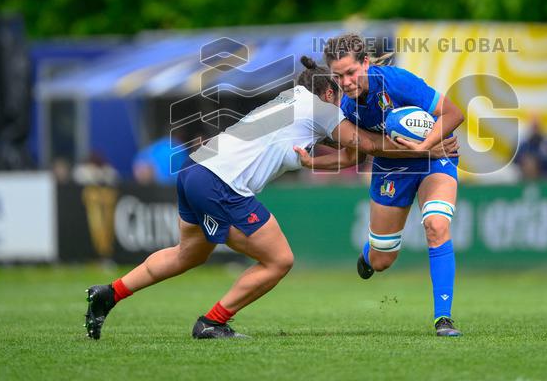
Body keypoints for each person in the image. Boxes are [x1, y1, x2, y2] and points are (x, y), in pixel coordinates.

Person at [84, 57, 457, 340]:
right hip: (221, 183)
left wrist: (325, 158)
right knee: (279, 260)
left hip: (194, 170)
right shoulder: (321, 109)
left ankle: (110, 293)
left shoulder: (289, 101)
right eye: (339, 91)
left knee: (189, 253)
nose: (344, 100)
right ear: (328, 92)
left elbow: (347, 153)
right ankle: (212, 322)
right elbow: (368, 145)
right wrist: (431, 146)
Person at [318, 33, 465, 337]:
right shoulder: (346, 108)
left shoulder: (396, 81)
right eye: (338, 76)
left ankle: (444, 318)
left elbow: (454, 113)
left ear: (365, 63)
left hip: (436, 156)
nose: (346, 82)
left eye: (351, 72)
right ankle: (369, 254)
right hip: (391, 168)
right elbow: (356, 155)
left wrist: (425, 145)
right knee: (383, 258)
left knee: (436, 224)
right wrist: (310, 162)